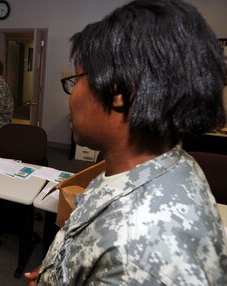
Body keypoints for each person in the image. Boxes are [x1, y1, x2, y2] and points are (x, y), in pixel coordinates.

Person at [25, 0, 227, 285]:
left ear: (119, 90)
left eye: (76, 79)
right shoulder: (156, 165)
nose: (71, 95)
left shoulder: (139, 255)